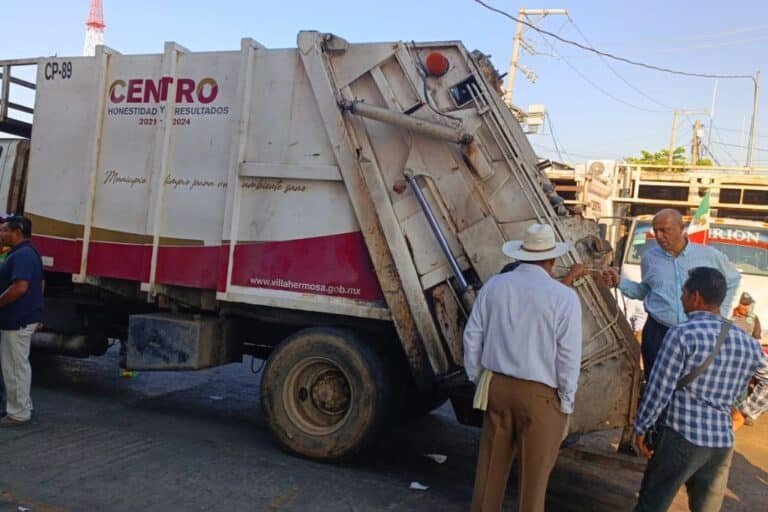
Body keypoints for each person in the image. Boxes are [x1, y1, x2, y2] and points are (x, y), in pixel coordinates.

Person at [464, 223, 582, 512]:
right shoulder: (564, 297)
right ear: (552, 261)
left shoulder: (494, 286)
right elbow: (568, 356)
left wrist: (478, 378)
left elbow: (472, 336)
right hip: (542, 396)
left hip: (497, 386)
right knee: (533, 484)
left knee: (490, 473)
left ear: (520, 257)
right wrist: (566, 402)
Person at [633, 267, 768, 512]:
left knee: (651, 505)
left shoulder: (682, 334)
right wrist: (746, 412)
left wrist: (642, 427)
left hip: (681, 437)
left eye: (684, 292)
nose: (681, 297)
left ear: (696, 297)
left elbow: (659, 389)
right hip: (721, 444)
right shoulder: (745, 340)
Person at [603, 209, 741, 378]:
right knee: (655, 381)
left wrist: (722, 313)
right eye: (656, 231)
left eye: (664, 230)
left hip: (697, 332)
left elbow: (733, 279)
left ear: (681, 228)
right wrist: (620, 283)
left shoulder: (708, 255)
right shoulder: (649, 258)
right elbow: (647, 291)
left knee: (691, 382)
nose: (659, 236)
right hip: (658, 332)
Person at [0, 215, 44, 427]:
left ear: (17, 232)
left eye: (4, 230)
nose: (1, 234)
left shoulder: (23, 255)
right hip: (22, 317)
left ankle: (18, 413)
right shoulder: (27, 252)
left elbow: (20, 287)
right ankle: (23, 406)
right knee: (18, 365)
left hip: (17, 319)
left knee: (14, 366)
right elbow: (40, 284)